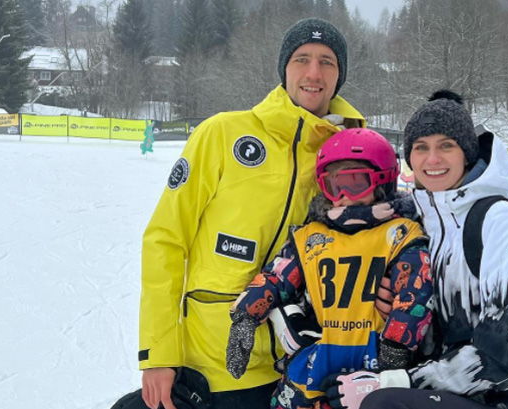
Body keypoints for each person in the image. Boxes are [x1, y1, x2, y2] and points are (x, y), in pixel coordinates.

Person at [112, 18, 366, 409]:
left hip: (300, 367)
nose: (313, 73)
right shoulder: (222, 134)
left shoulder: (350, 154)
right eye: (302, 59)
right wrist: (159, 355)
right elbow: (165, 239)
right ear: (284, 67)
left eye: (327, 62)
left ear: (340, 76)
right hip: (209, 364)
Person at [321, 90, 508, 409]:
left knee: (382, 403)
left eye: (445, 146)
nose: (432, 159)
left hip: (507, 398)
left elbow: (498, 359)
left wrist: (392, 382)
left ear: (466, 153)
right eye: (421, 148)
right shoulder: (419, 220)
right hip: (448, 392)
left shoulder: (499, 221)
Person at [226, 128, 434, 409]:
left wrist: (395, 352)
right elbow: (276, 278)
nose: (345, 195)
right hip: (318, 359)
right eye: (334, 186)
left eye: (356, 183)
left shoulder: (399, 235)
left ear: (382, 181)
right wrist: (245, 317)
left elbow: (414, 294)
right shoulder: (311, 238)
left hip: (372, 362)